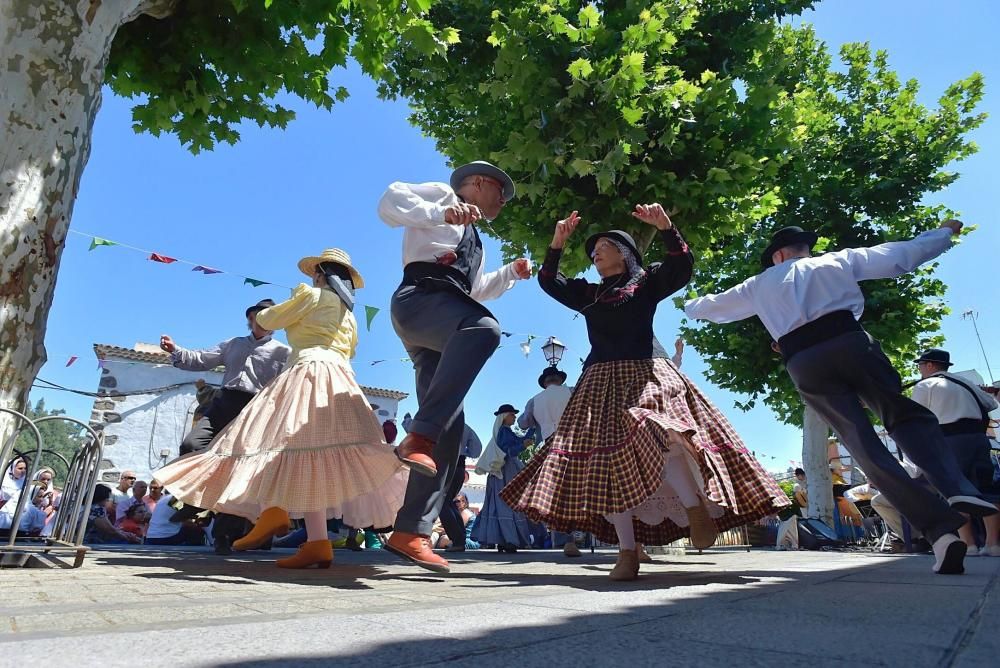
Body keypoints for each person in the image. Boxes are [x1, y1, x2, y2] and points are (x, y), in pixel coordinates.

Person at [685, 220, 996, 575]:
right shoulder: (837, 260)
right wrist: (942, 234)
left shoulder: (758, 284)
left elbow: (708, 308)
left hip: (803, 361)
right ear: (803, 249)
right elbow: (902, 256)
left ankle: (941, 534)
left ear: (778, 255)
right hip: (849, 341)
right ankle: (955, 486)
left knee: (862, 444)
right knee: (905, 416)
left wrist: (688, 303)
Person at [503, 205, 789, 581]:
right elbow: (549, 281)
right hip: (599, 380)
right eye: (593, 250)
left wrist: (667, 227)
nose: (595, 253)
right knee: (603, 466)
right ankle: (627, 551)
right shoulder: (589, 294)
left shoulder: (647, 282)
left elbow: (681, 267)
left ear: (625, 253)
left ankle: (695, 509)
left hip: (648, 372)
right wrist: (557, 242)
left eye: (604, 246)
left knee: (664, 433)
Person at [154, 248, 408, 569]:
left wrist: (267, 316)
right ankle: (314, 540)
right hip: (341, 379)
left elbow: (269, 319)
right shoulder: (349, 314)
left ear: (320, 274)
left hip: (308, 371)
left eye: (315, 272)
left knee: (278, 443)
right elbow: (351, 350)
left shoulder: (311, 295)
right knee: (309, 454)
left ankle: (275, 513)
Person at [378, 160, 532, 573]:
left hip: (444, 318)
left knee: (450, 427)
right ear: (479, 183)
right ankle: (417, 438)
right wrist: (440, 212)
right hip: (420, 301)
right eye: (501, 192)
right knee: (483, 329)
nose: (503, 201)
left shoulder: (476, 239)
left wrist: (511, 274)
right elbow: (390, 200)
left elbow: (477, 289)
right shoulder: (443, 195)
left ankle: (410, 531)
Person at [161, 299, 290, 554]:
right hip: (223, 402)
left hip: (253, 411)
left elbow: (289, 384)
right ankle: (193, 500)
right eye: (259, 315)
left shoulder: (283, 353)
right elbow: (201, 359)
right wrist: (175, 350)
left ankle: (223, 535)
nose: (263, 319)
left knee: (238, 473)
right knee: (191, 444)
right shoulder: (233, 343)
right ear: (251, 318)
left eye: (269, 316)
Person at [912, 348, 1000, 556]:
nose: (919, 369)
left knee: (955, 492)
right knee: (986, 489)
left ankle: (968, 544)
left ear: (930, 365)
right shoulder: (966, 383)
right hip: (979, 439)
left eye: (921, 365)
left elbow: (915, 416)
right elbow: (990, 403)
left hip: (949, 441)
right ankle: (993, 544)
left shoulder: (925, 385)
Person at [518, 365, 582, 557]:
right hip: (575, 442)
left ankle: (564, 539)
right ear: (559, 380)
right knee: (577, 490)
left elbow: (522, 423)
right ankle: (578, 536)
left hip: (551, 445)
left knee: (556, 493)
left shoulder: (534, 400)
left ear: (545, 383)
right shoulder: (571, 391)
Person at [471, 405, 541, 553]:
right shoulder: (504, 431)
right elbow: (508, 450)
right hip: (505, 469)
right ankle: (509, 539)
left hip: (505, 470)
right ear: (504, 417)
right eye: (512, 415)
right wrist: (523, 443)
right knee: (509, 501)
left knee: (501, 503)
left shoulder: (505, 431)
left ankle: (504, 539)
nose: (515, 417)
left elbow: (519, 442)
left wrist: (532, 429)